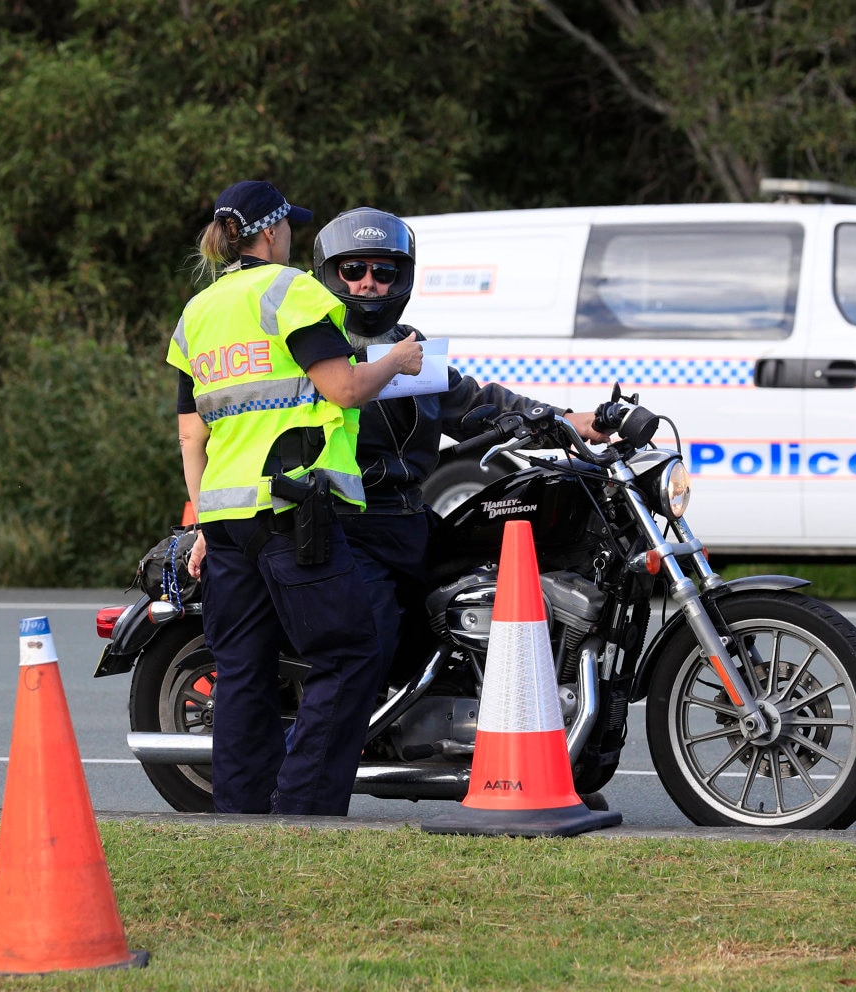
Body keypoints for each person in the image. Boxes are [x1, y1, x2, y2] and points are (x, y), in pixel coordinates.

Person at [168, 180, 423, 815]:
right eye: (290, 230)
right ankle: (303, 809)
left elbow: (189, 434)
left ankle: (241, 816)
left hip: (225, 521)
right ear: (272, 232)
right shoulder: (292, 292)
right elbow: (342, 389)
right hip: (292, 510)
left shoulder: (196, 313)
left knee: (245, 673)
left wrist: (202, 521)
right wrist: (396, 361)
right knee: (348, 655)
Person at [309, 207, 609, 676]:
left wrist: (565, 420)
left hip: (407, 516)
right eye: (354, 270)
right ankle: (345, 739)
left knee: (472, 594)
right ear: (330, 274)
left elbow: (470, 403)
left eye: (383, 271)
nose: (369, 283)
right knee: (370, 644)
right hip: (347, 523)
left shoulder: (407, 345)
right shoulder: (316, 348)